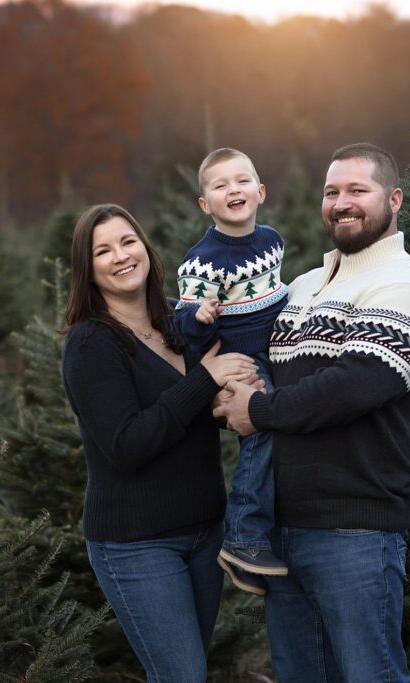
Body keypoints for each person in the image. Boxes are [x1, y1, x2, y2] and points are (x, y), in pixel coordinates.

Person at [214, 143, 410, 682]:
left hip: (355, 530)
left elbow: (351, 387)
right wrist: (223, 388)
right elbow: (254, 363)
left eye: (357, 191)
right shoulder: (301, 288)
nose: (342, 203)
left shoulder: (405, 287)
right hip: (282, 530)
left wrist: (261, 410)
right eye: (332, 192)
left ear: (394, 199)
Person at [60, 203, 259, 682]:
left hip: (205, 532)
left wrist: (240, 402)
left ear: (145, 249)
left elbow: (193, 417)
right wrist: (205, 380)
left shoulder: (180, 321)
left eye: (127, 242)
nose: (120, 256)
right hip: (137, 543)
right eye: (102, 251)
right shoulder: (92, 344)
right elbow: (127, 445)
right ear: (88, 270)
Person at [174, 148, 289, 595]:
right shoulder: (203, 260)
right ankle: (243, 538)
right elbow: (183, 322)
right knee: (262, 429)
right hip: (243, 360)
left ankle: (267, 528)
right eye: (220, 186)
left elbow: (274, 292)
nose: (233, 190)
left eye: (242, 181)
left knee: (283, 428)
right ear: (206, 204)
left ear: (260, 192)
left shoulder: (272, 240)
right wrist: (198, 316)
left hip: (279, 349)